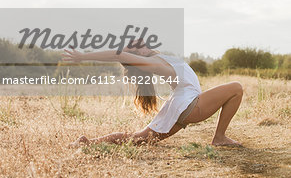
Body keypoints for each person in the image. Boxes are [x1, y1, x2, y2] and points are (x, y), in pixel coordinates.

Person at [62, 41, 243, 148]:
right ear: (136, 56)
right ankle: (219, 137)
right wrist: (82, 56)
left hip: (178, 106)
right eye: (137, 47)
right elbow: (119, 55)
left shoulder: (158, 60)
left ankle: (88, 142)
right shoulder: (152, 63)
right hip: (189, 105)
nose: (142, 45)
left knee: (139, 138)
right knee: (236, 88)